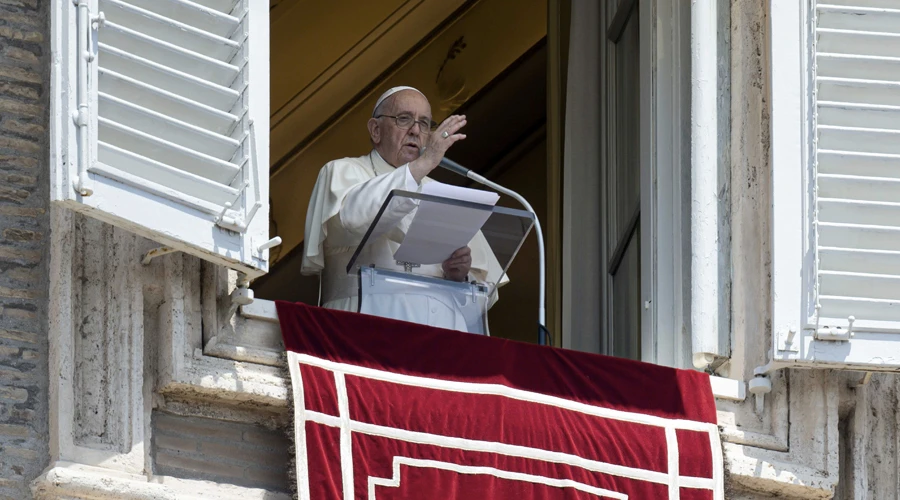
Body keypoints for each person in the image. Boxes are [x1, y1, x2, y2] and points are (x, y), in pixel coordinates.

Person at [300, 86, 507, 332]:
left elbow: (487, 292)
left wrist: (460, 277)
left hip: (444, 336)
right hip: (365, 324)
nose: (416, 130)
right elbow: (352, 222)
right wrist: (424, 163)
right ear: (375, 130)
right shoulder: (343, 171)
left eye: (425, 123)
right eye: (404, 119)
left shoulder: (446, 194)